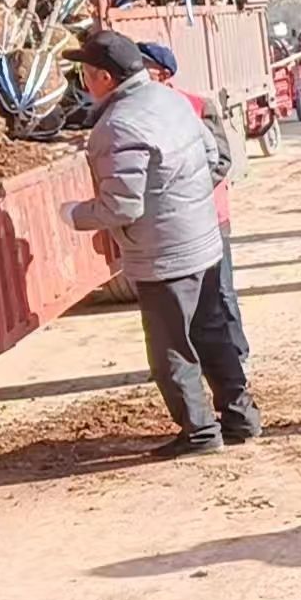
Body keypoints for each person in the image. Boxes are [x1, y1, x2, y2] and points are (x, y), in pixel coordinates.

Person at [61, 31, 257, 456]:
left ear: (105, 78)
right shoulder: (172, 100)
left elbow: (122, 206)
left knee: (171, 349)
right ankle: (241, 418)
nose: (83, 82)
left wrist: (75, 215)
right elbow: (211, 158)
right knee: (212, 332)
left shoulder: (116, 126)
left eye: (86, 74)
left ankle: (200, 433)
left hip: (163, 256)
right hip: (204, 240)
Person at [136, 41, 250, 365]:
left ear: (162, 73)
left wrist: (185, 195)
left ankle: (237, 354)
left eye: (144, 68)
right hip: (166, 224)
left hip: (208, 217)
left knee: (221, 291)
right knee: (176, 300)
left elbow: (222, 159)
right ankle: (187, 361)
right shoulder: (137, 113)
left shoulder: (198, 105)